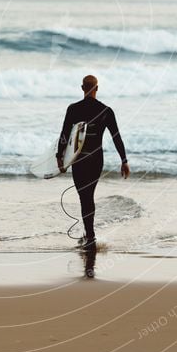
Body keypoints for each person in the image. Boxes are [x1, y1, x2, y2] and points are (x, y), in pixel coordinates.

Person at [57, 74, 129, 249]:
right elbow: (116, 136)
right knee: (89, 195)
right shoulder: (106, 110)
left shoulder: (73, 109)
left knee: (85, 197)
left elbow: (65, 134)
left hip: (79, 159)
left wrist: (60, 157)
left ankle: (90, 236)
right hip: (96, 159)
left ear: (82, 88)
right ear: (97, 88)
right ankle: (89, 235)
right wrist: (124, 160)